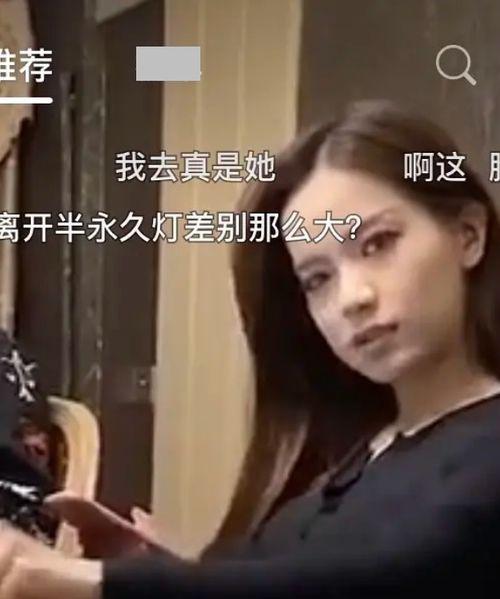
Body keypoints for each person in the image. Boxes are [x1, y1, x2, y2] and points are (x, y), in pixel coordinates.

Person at [2, 99, 500, 597]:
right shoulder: (359, 456)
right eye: (318, 279)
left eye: (378, 243)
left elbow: (390, 578)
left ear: (468, 235)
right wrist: (164, 569)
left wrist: (104, 583)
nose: (352, 298)